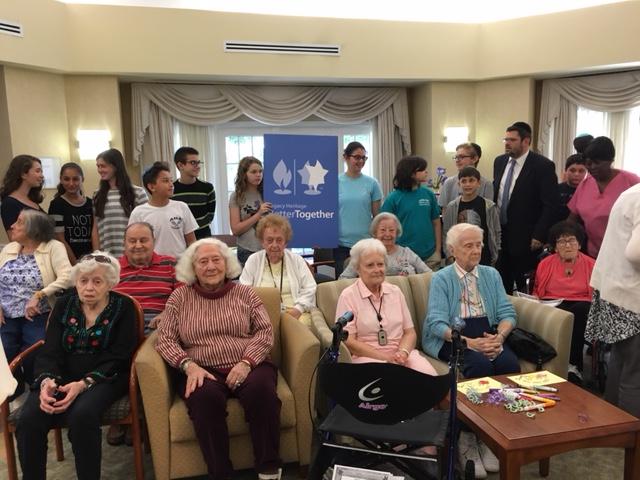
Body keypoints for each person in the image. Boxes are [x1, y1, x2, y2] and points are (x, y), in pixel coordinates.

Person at [156, 238, 282, 480]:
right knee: (204, 400)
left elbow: (265, 332)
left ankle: (268, 467)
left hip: (248, 364)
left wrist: (246, 363)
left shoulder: (245, 293)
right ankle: (221, 473)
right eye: (203, 262)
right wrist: (188, 366)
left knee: (262, 392)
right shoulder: (179, 298)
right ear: (192, 268)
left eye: (216, 260)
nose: (211, 266)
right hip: (201, 369)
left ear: (227, 264)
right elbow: (165, 340)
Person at [15, 252, 138, 480]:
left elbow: (120, 356)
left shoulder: (124, 307)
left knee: (82, 415)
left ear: (110, 284)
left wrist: (83, 383)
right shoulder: (64, 304)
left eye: (97, 281)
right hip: (61, 374)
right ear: (76, 282)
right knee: (30, 418)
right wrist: (47, 381)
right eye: (83, 281)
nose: (89, 287)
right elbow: (50, 348)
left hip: (105, 377)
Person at [423, 223, 519, 478]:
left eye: (479, 245)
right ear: (452, 250)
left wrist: (499, 337)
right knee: (479, 367)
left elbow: (507, 313)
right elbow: (436, 323)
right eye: (468, 246)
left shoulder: (491, 274)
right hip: (453, 338)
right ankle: (467, 438)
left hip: (488, 334)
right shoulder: (441, 278)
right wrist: (470, 343)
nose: (476, 250)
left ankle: (491, 436)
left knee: (510, 365)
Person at [337, 238, 437, 375]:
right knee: (390, 381)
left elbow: (410, 332)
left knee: (430, 378)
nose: (377, 270)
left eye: (380, 264)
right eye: (370, 265)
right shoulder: (348, 296)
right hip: (367, 357)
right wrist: (385, 358)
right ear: (357, 269)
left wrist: (403, 353)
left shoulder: (395, 292)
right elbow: (349, 341)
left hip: (401, 354)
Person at [0, 210, 72, 389]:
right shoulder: (9, 249)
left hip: (39, 313)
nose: (12, 226)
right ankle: (13, 392)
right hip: (6, 315)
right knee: (4, 351)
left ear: (34, 229)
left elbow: (68, 277)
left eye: (19, 222)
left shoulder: (53, 247)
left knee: (34, 351)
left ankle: (37, 390)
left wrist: (40, 294)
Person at [585, 183, 640, 418]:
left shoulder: (632, 192)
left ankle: (614, 423)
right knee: (635, 372)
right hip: (631, 296)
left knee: (621, 360)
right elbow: (636, 253)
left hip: (614, 290)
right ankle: (632, 432)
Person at [493, 121, 559, 294]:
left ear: (526, 141)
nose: (507, 143)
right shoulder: (499, 162)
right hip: (500, 234)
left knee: (525, 285)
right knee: (501, 282)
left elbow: (550, 204)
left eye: (512, 140)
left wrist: (539, 234)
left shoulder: (542, 166)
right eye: (506, 139)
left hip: (527, 237)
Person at [533, 221, 595, 384]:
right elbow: (537, 291)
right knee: (560, 314)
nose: (567, 245)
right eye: (561, 241)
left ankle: (573, 366)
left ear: (579, 244)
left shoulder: (591, 264)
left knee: (578, 313)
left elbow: (597, 294)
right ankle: (555, 364)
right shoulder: (545, 264)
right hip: (553, 302)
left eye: (572, 240)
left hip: (582, 304)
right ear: (555, 247)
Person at [568, 136, 640, 258]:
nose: (592, 167)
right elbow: (572, 219)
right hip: (594, 254)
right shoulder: (585, 185)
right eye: (589, 163)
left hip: (626, 255)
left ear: (610, 161)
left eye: (597, 163)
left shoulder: (631, 182)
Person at [239, 214, 316, 326]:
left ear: (286, 242)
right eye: (269, 240)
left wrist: (298, 309)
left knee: (301, 328)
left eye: (279, 240)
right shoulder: (253, 260)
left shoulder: (296, 260)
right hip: (262, 315)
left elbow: (310, 288)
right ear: (262, 242)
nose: (274, 245)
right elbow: (244, 291)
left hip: (295, 313)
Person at [381, 156, 441, 270]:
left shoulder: (428, 194)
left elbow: (436, 223)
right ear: (411, 173)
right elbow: (383, 227)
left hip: (430, 255)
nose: (426, 172)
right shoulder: (393, 198)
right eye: (422, 170)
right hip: (403, 257)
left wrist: (438, 250)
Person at [129, 161, 198, 258]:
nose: (171, 185)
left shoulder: (182, 207)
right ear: (151, 187)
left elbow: (191, 241)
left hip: (179, 264)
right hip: (152, 265)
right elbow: (133, 244)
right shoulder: (139, 213)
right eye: (165, 181)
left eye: (171, 180)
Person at [335, 142, 382, 277]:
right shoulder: (334, 182)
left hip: (366, 244)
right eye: (357, 157)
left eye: (363, 158)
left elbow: (377, 217)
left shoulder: (372, 183)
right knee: (343, 284)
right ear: (346, 157)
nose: (361, 161)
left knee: (368, 281)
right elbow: (327, 214)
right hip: (341, 245)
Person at [92, 148, 148, 258]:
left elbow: (146, 227)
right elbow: (95, 228)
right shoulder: (97, 195)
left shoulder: (138, 193)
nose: (100, 170)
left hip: (132, 255)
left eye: (103, 166)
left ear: (115, 166)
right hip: (106, 257)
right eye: (98, 166)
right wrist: (97, 254)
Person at [339, 212, 430, 279]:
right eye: (383, 230)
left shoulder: (407, 253)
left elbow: (429, 274)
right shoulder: (364, 253)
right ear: (375, 232)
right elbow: (343, 279)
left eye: (391, 230)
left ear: (397, 233)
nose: (387, 234)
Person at [443, 167, 500, 266]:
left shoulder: (489, 206)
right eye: (464, 181)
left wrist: (496, 252)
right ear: (459, 184)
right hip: (459, 257)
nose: (467, 184)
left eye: (471, 180)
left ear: (479, 183)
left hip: (484, 256)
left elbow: (496, 231)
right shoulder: (452, 207)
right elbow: (446, 233)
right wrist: (450, 255)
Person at [48, 162, 94, 264]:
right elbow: (59, 238)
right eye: (67, 179)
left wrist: (94, 259)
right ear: (61, 180)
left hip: (91, 261)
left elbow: (95, 234)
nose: (71, 183)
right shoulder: (56, 205)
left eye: (75, 179)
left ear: (82, 179)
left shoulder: (91, 203)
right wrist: (76, 264)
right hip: (68, 261)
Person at [229, 156, 271, 266]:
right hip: (247, 250)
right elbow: (235, 230)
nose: (258, 175)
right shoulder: (236, 196)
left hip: (270, 248)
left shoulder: (269, 193)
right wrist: (258, 214)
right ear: (244, 174)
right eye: (253, 172)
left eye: (260, 171)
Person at [172, 146, 216, 240]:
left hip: (203, 238)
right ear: (180, 165)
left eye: (198, 162)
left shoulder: (207, 188)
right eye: (193, 163)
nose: (198, 166)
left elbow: (210, 215)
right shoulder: (171, 189)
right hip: (180, 240)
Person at [438, 143, 493, 213]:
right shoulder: (449, 183)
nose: (457, 160)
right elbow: (445, 211)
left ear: (474, 159)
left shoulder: (486, 184)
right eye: (456, 157)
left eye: (461, 157)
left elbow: (488, 212)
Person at [0, 154, 45, 240]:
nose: (42, 175)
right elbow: (14, 240)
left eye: (41, 171)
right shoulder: (9, 203)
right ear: (23, 174)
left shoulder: (32, 199)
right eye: (37, 171)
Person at [557, 154, 588, 221]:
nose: (576, 174)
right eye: (572, 170)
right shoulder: (556, 189)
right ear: (566, 171)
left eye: (581, 171)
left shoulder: (589, 192)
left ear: (586, 173)